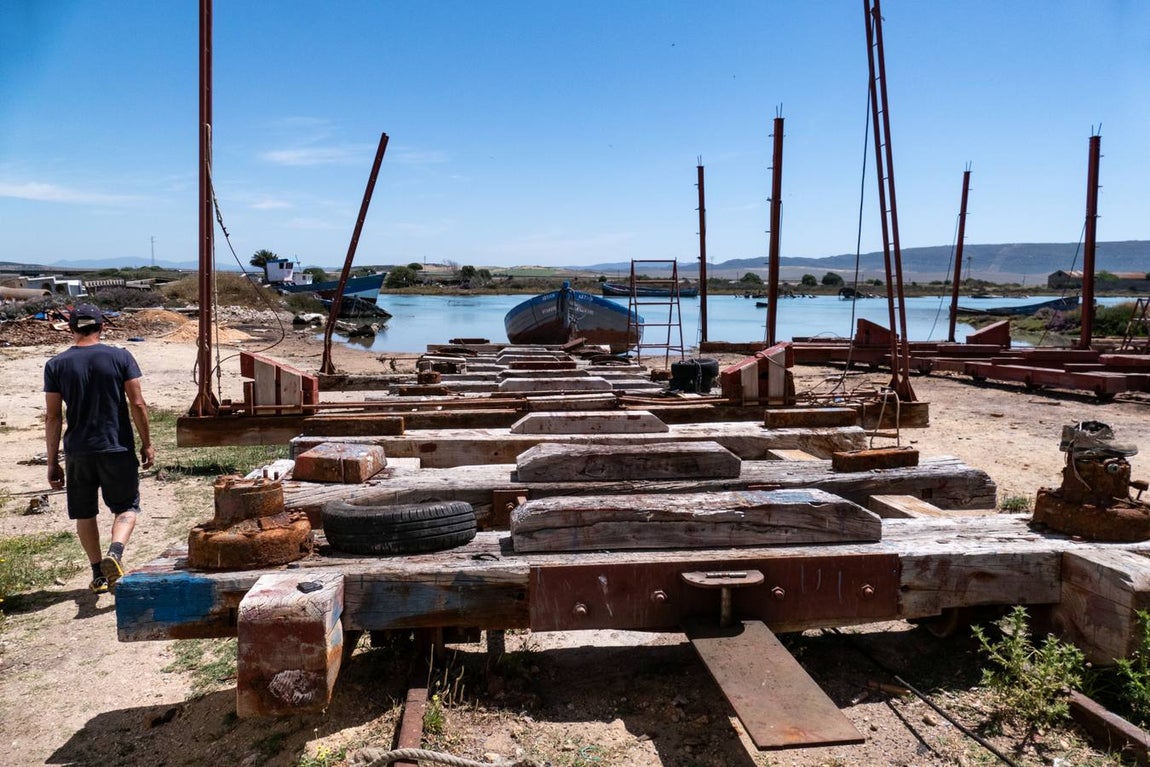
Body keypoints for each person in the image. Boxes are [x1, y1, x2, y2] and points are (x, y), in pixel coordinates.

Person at [44, 304, 154, 594]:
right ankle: (115, 553)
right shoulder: (120, 357)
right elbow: (138, 403)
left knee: (85, 513)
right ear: (101, 326)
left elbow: (53, 415)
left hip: (78, 451)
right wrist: (147, 443)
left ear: (71, 328)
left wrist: (52, 462)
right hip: (116, 446)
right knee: (126, 507)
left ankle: (98, 574)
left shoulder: (56, 364)